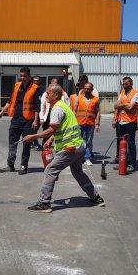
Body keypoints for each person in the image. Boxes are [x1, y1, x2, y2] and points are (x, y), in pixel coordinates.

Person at [22, 83, 105, 212]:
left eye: (48, 93)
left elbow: (52, 129)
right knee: (78, 172)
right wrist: (50, 140)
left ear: (56, 95)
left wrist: (33, 137)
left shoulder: (57, 109)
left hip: (70, 147)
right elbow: (61, 128)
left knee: (50, 170)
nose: (46, 95)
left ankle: (44, 203)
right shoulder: (63, 106)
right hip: (78, 146)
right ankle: (96, 197)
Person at [0, 67, 43, 175]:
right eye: (21, 75)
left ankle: (23, 166)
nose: (23, 78)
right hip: (16, 119)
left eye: (25, 76)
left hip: (28, 121)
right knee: (12, 142)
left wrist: (36, 121)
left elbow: (37, 106)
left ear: (29, 76)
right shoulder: (17, 86)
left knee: (26, 143)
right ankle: (10, 165)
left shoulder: (35, 88)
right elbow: (10, 101)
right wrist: (2, 112)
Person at [112, 76, 138, 173]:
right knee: (121, 143)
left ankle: (132, 164)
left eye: (126, 84)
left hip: (130, 122)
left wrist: (122, 105)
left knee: (131, 143)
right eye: (123, 84)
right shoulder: (122, 93)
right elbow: (116, 106)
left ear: (131, 84)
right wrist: (125, 105)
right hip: (120, 121)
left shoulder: (136, 94)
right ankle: (122, 162)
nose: (124, 86)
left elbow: (130, 108)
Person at [74, 82, 101, 166]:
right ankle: (78, 158)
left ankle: (87, 158)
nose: (86, 90)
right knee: (78, 141)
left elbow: (98, 112)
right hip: (79, 123)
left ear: (92, 89)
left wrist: (97, 124)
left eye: (88, 88)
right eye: (85, 88)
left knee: (89, 141)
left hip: (90, 123)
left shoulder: (96, 99)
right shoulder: (78, 98)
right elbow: (74, 111)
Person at [39, 77, 68, 150]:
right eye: (53, 83)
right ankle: (45, 153)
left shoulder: (64, 94)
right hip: (48, 116)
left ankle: (56, 150)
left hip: (59, 116)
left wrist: (33, 136)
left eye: (56, 83)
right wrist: (41, 117)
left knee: (57, 134)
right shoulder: (46, 93)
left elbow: (68, 106)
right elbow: (42, 105)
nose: (47, 95)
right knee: (47, 137)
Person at [31, 76, 45, 151]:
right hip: (32, 112)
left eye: (37, 81)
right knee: (33, 129)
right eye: (34, 81)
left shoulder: (43, 90)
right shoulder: (30, 89)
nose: (36, 82)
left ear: (40, 81)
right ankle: (34, 143)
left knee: (39, 129)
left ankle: (40, 143)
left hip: (41, 112)